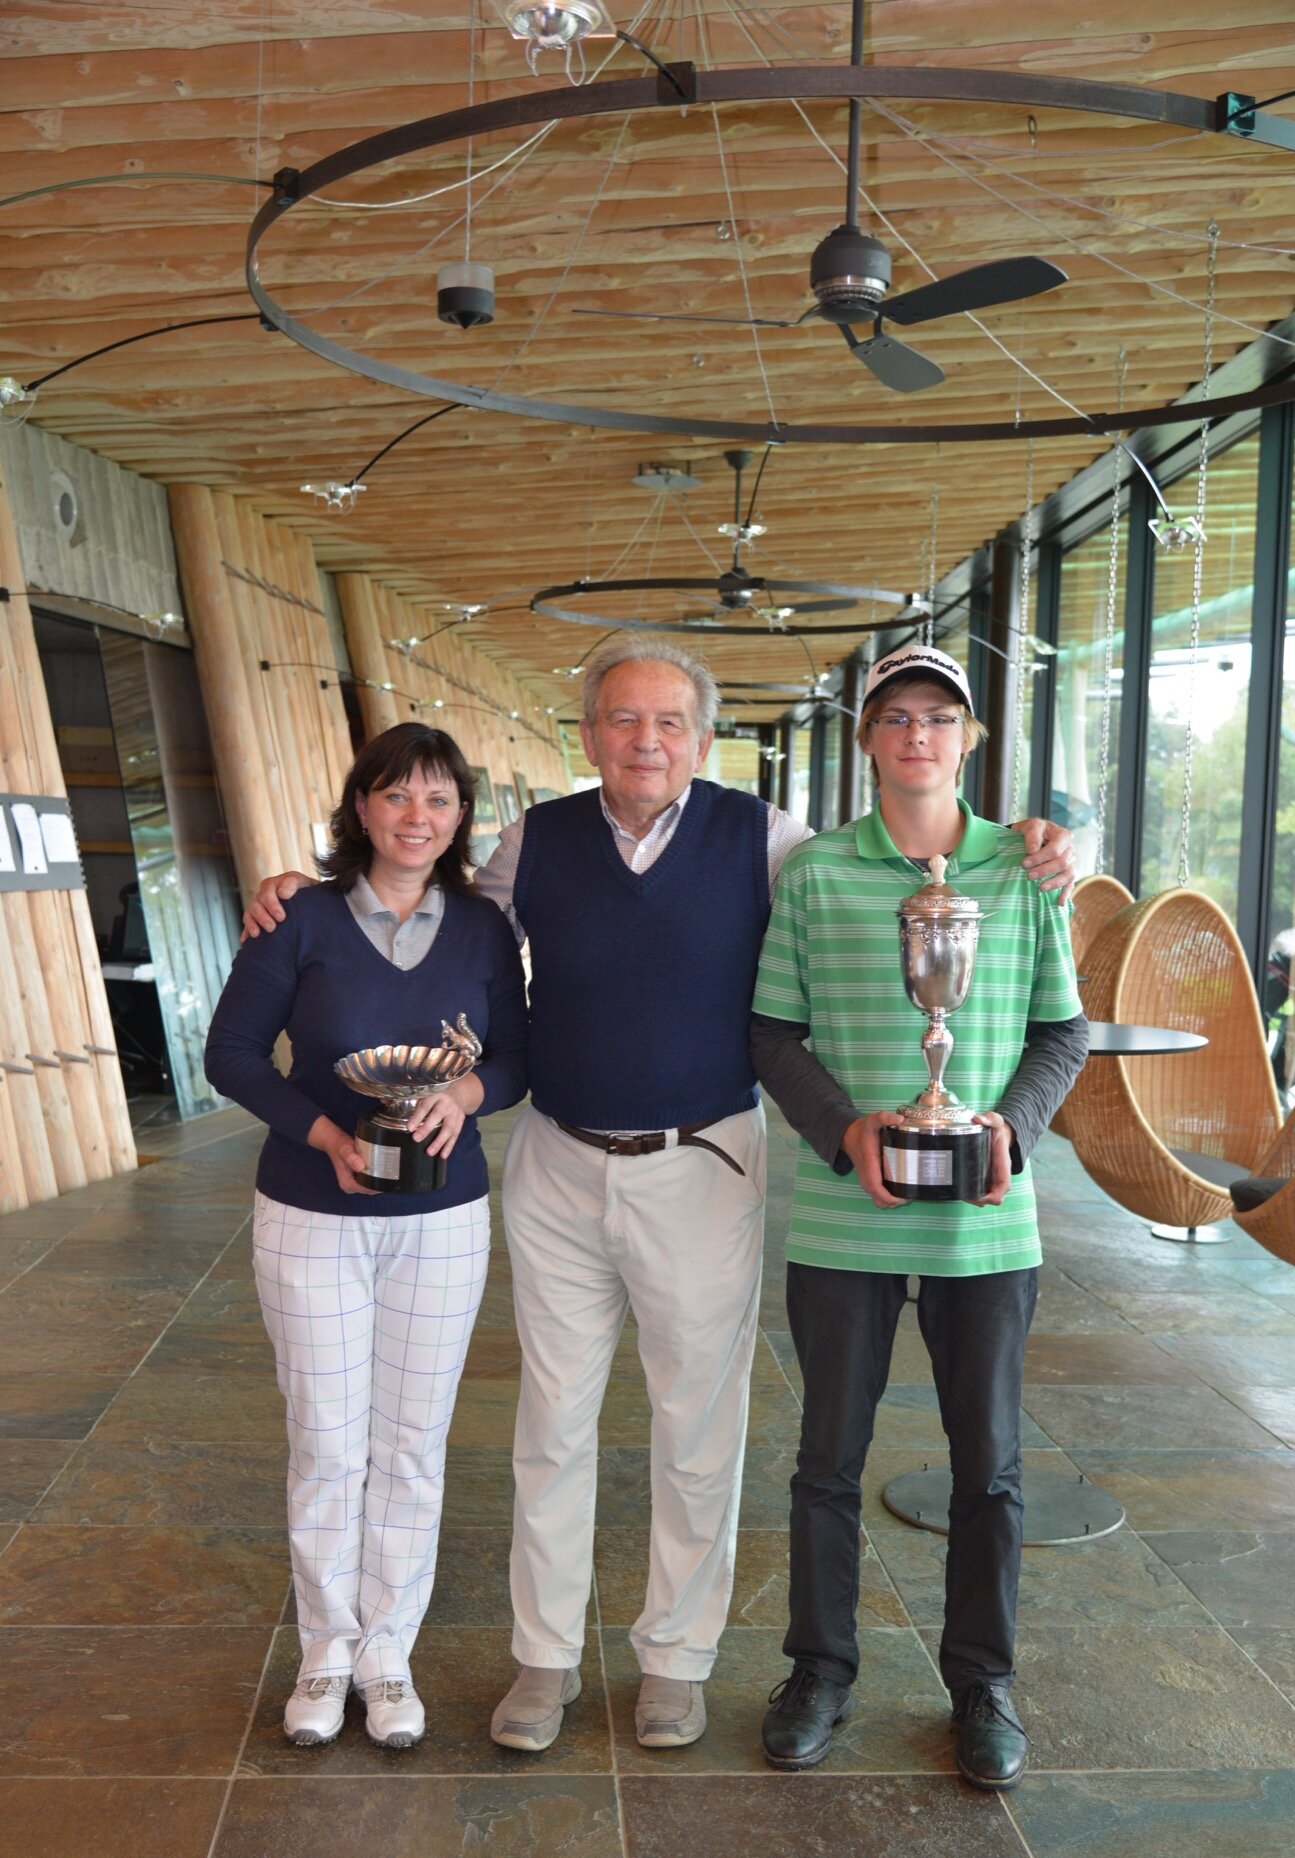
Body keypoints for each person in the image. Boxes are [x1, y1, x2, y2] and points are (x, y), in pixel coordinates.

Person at [239, 636, 1077, 1756]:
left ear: (703, 736)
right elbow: (432, 916)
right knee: (551, 1424)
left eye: (670, 721)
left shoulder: (769, 840)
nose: (647, 741)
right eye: (623, 720)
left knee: (697, 1429)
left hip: (704, 1161)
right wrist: (305, 888)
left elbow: (895, 867)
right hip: (557, 1159)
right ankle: (544, 1657)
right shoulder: (536, 839)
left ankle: (676, 1660)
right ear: (587, 734)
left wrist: (1031, 841)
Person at [750, 643, 1088, 1788]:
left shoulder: (1026, 871)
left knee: (989, 1465)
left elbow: (1062, 1031)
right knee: (826, 1461)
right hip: (846, 1213)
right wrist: (844, 1129)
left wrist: (1013, 1128)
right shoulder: (816, 873)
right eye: (894, 716)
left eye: (938, 716)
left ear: (969, 737)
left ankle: (982, 1683)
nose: (917, 734)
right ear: (868, 740)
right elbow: (771, 1031)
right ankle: (819, 1670)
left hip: (985, 1219)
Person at [205, 722, 526, 1751]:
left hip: (442, 1218)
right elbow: (231, 1052)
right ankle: (325, 1649)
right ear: (360, 807)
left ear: (461, 815)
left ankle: (387, 1651)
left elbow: (517, 1057)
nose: (415, 817)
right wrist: (324, 1135)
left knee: (412, 1445)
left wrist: (465, 1094)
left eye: (438, 799)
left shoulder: (481, 928)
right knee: (327, 1441)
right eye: (395, 795)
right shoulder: (297, 915)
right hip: (312, 1212)